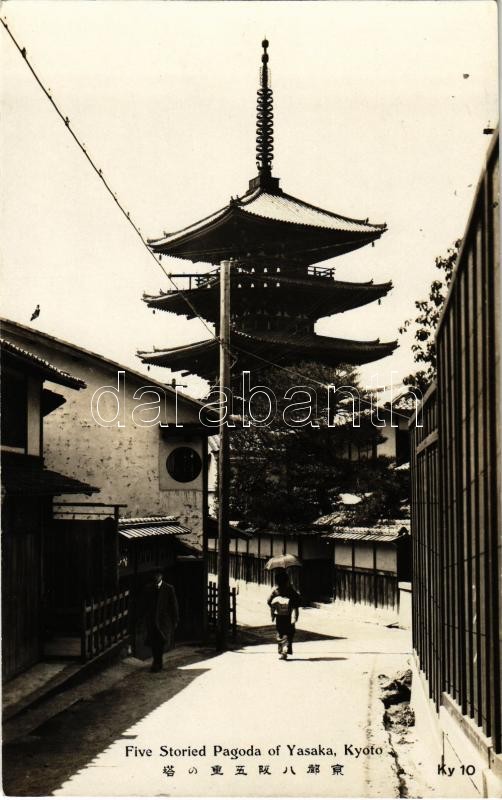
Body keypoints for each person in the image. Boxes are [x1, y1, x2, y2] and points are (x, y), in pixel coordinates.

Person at [144, 571, 179, 672]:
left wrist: (175, 619)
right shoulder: (148, 588)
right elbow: (145, 604)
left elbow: (174, 605)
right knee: (154, 642)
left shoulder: (168, 588)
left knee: (161, 641)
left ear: (161, 576)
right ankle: (156, 662)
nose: (156, 577)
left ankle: (158, 662)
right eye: (154, 575)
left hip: (164, 621)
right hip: (152, 620)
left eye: (158, 575)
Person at [267, 568, 301, 660]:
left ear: (277, 582)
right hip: (289, 615)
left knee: (280, 632)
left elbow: (269, 601)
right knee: (289, 632)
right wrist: (295, 616)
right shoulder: (291, 591)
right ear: (287, 581)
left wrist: (274, 611)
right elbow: (297, 601)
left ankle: (282, 651)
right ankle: (286, 648)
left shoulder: (275, 591)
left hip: (279, 616)